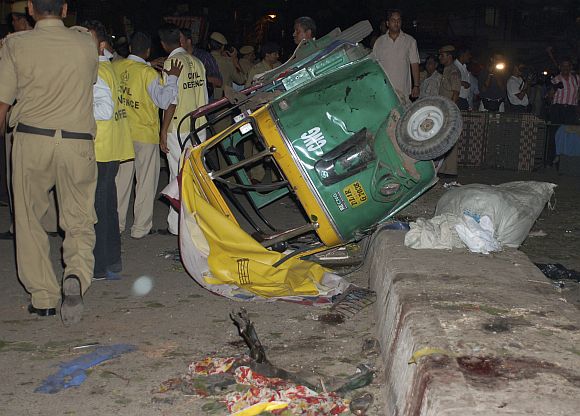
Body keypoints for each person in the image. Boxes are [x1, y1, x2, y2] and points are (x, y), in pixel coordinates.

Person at [0, 0, 98, 324]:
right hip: (77, 142)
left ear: (30, 9)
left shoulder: (15, 45)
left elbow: (2, 103)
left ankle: (42, 296)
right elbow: (91, 81)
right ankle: (77, 278)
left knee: (28, 219)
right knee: (80, 217)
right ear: (65, 8)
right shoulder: (86, 42)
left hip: (32, 139)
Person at [113, 32, 182, 240]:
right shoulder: (148, 73)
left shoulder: (115, 67)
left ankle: (117, 224)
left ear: (131, 48)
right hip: (144, 133)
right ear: (149, 50)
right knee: (144, 182)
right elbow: (163, 101)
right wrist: (172, 78)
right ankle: (140, 228)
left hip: (122, 131)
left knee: (121, 181)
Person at [83, 20, 134, 280]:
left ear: (101, 44)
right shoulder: (111, 68)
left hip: (100, 148)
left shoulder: (97, 72)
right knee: (108, 208)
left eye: (88, 39)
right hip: (111, 147)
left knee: (99, 210)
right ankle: (112, 262)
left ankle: (100, 266)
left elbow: (104, 109)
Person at [158, 23, 209, 235]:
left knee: (177, 175)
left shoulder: (172, 63)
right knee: (193, 175)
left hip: (177, 128)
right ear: (181, 40)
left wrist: (163, 131)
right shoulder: (196, 62)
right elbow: (205, 98)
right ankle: (181, 222)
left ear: (163, 44)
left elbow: (171, 100)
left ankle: (181, 226)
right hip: (198, 127)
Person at [372, 9, 420, 99]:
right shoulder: (379, 42)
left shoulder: (410, 41)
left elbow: (414, 63)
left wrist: (416, 85)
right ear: (387, 23)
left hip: (403, 91)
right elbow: (374, 65)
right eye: (393, 20)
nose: (396, 23)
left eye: (398, 20)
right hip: (384, 90)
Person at [437, 45, 461, 177]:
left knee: (450, 139)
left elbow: (456, 92)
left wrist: (451, 111)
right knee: (444, 139)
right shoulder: (446, 70)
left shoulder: (453, 71)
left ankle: (451, 170)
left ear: (450, 56)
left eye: (443, 55)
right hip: (444, 109)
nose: (440, 57)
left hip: (449, 110)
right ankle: (444, 169)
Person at [179, 28, 222, 101]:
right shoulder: (177, 58)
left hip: (202, 102)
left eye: (180, 41)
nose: (177, 44)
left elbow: (218, 82)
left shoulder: (204, 57)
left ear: (188, 41)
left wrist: (198, 76)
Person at [208, 31, 246, 100]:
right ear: (222, 47)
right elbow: (241, 80)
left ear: (209, 45)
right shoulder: (227, 62)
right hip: (221, 102)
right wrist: (235, 61)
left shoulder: (202, 59)